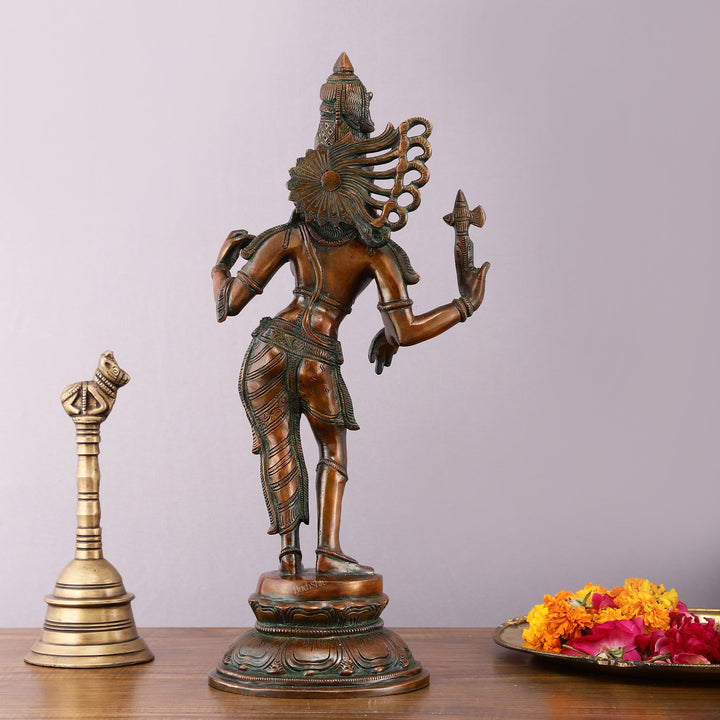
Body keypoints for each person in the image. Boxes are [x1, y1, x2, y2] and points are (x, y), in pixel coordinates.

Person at [212, 53, 489, 575]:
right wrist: (464, 305)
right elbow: (405, 331)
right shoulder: (373, 251)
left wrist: (219, 265)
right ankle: (328, 551)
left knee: (279, 450)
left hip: (267, 349)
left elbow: (228, 304)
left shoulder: (290, 235)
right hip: (317, 354)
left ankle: (289, 557)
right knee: (331, 453)